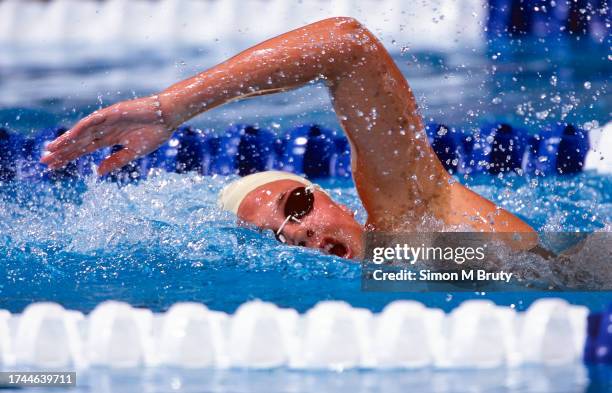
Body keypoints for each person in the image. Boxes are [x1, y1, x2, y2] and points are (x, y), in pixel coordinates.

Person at [40, 17, 536, 260]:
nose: (295, 231)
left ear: (332, 199)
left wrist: (169, 108)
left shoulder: (414, 217)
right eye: (275, 236)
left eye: (297, 205)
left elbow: (347, 46)